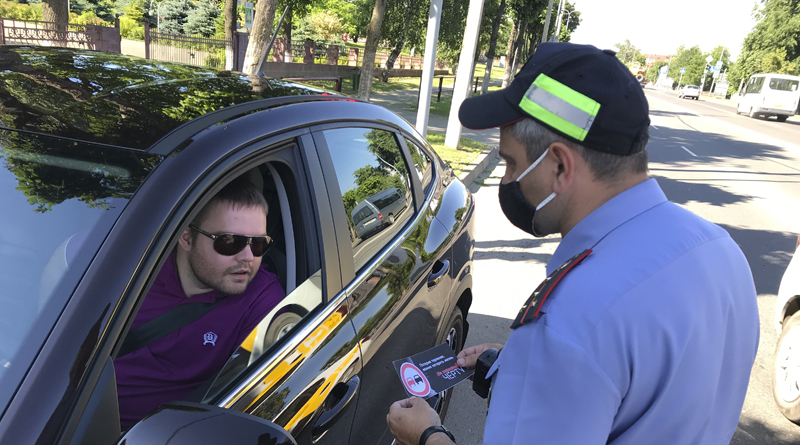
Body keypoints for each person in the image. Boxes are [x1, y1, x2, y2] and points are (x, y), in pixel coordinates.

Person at [386, 42, 759, 445]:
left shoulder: (569, 320)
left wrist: (427, 435)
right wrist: (525, 368)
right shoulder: (719, 250)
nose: (507, 180)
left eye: (510, 163)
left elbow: (586, 346)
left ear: (560, 166)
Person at [115, 176, 285, 430]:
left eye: (259, 243)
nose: (248, 257)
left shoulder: (262, 299)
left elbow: (253, 405)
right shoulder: (134, 269)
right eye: (230, 242)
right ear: (186, 238)